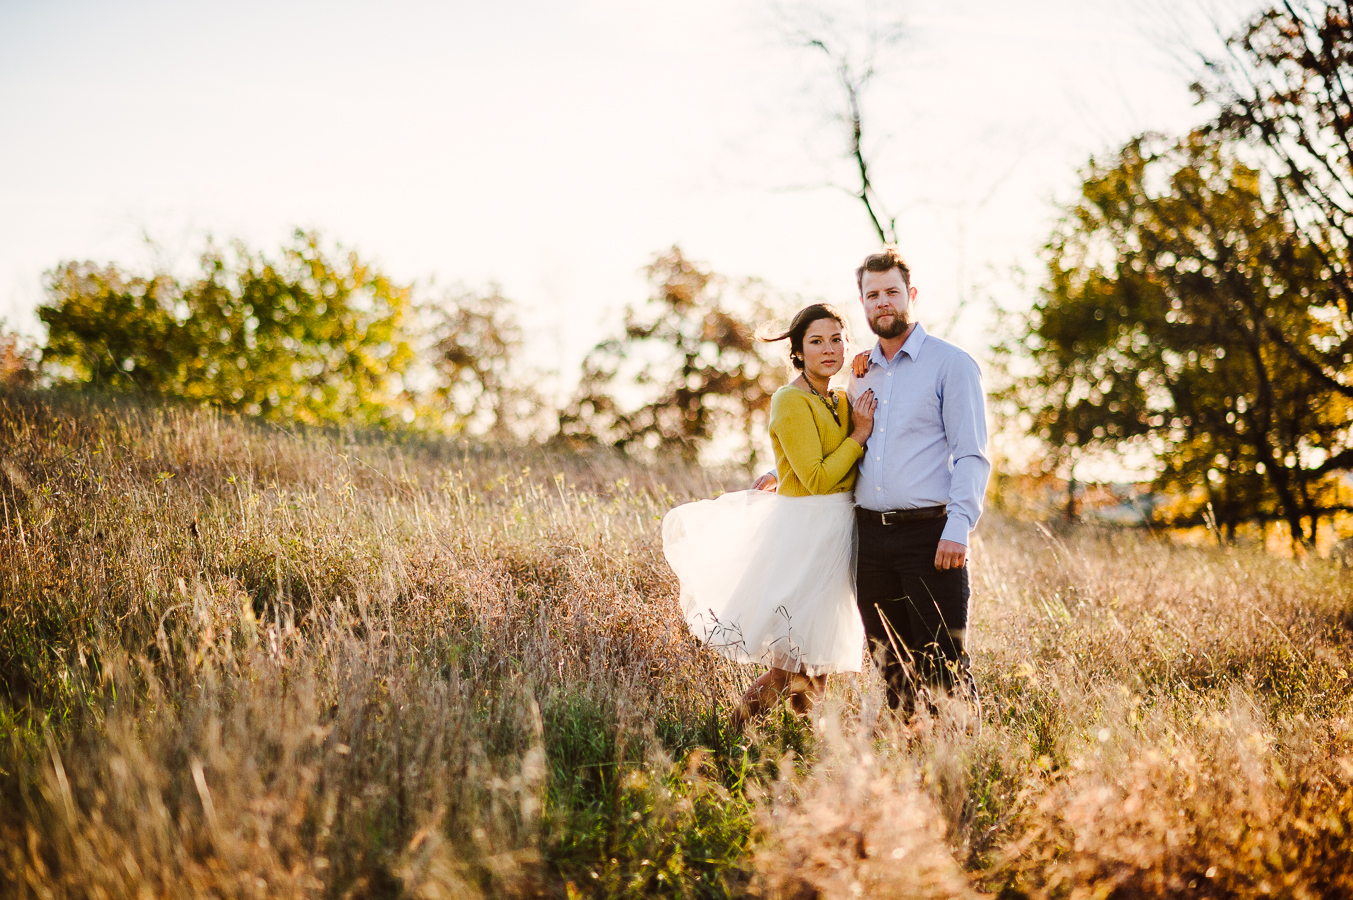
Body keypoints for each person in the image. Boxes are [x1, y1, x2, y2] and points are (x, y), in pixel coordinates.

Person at [755, 247, 990, 719]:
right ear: (862, 302)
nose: (882, 302)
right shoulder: (860, 376)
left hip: (930, 534)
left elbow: (971, 454)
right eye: (872, 294)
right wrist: (782, 473)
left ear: (911, 295)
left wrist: (958, 526)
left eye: (892, 292)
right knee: (892, 668)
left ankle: (962, 766)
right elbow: (834, 447)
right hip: (868, 540)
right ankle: (909, 768)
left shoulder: (951, 365)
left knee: (943, 665)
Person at [663, 304, 876, 730]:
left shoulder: (838, 397)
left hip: (836, 536)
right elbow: (815, 477)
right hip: (803, 537)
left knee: (816, 669)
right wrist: (858, 435)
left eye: (837, 339)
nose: (828, 349)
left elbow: (812, 461)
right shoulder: (789, 399)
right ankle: (724, 735)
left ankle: (798, 750)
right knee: (786, 670)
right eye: (816, 341)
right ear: (797, 350)